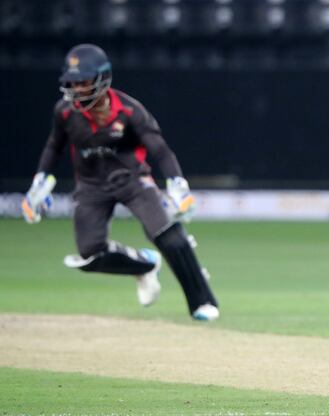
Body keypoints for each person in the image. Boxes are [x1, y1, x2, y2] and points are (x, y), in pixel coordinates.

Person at [21, 44, 220, 321]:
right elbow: (53, 147)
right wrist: (40, 183)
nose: (77, 89)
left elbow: (159, 149)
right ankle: (144, 265)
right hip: (91, 186)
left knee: (167, 234)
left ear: (102, 79)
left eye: (84, 81)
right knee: (89, 254)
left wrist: (177, 184)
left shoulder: (130, 111)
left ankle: (202, 302)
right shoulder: (65, 112)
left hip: (132, 180)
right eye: (72, 82)